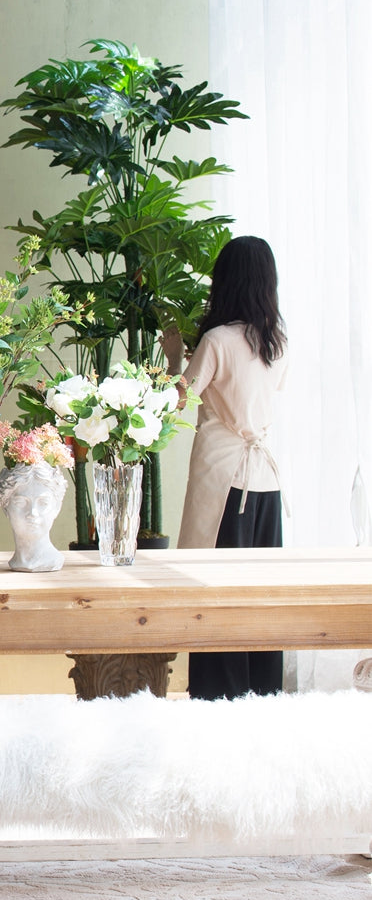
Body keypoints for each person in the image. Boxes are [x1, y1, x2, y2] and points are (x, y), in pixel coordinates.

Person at [175, 235, 288, 700]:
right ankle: (264, 691)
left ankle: (217, 696)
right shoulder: (278, 345)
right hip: (265, 480)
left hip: (224, 480)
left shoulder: (216, 340)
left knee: (215, 588)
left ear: (226, 281)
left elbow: (179, 396)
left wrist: (170, 356)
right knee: (261, 594)